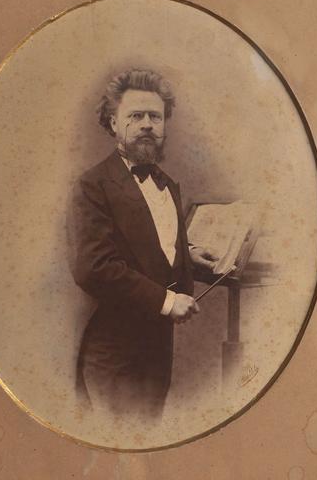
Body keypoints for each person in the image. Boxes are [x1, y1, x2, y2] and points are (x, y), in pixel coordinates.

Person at [71, 69, 217, 420]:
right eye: (136, 116)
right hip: (113, 356)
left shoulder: (167, 184)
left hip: (158, 352)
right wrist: (167, 301)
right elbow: (94, 267)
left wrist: (189, 256)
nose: (148, 125)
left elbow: (147, 246)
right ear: (113, 122)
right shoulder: (93, 185)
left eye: (155, 116)